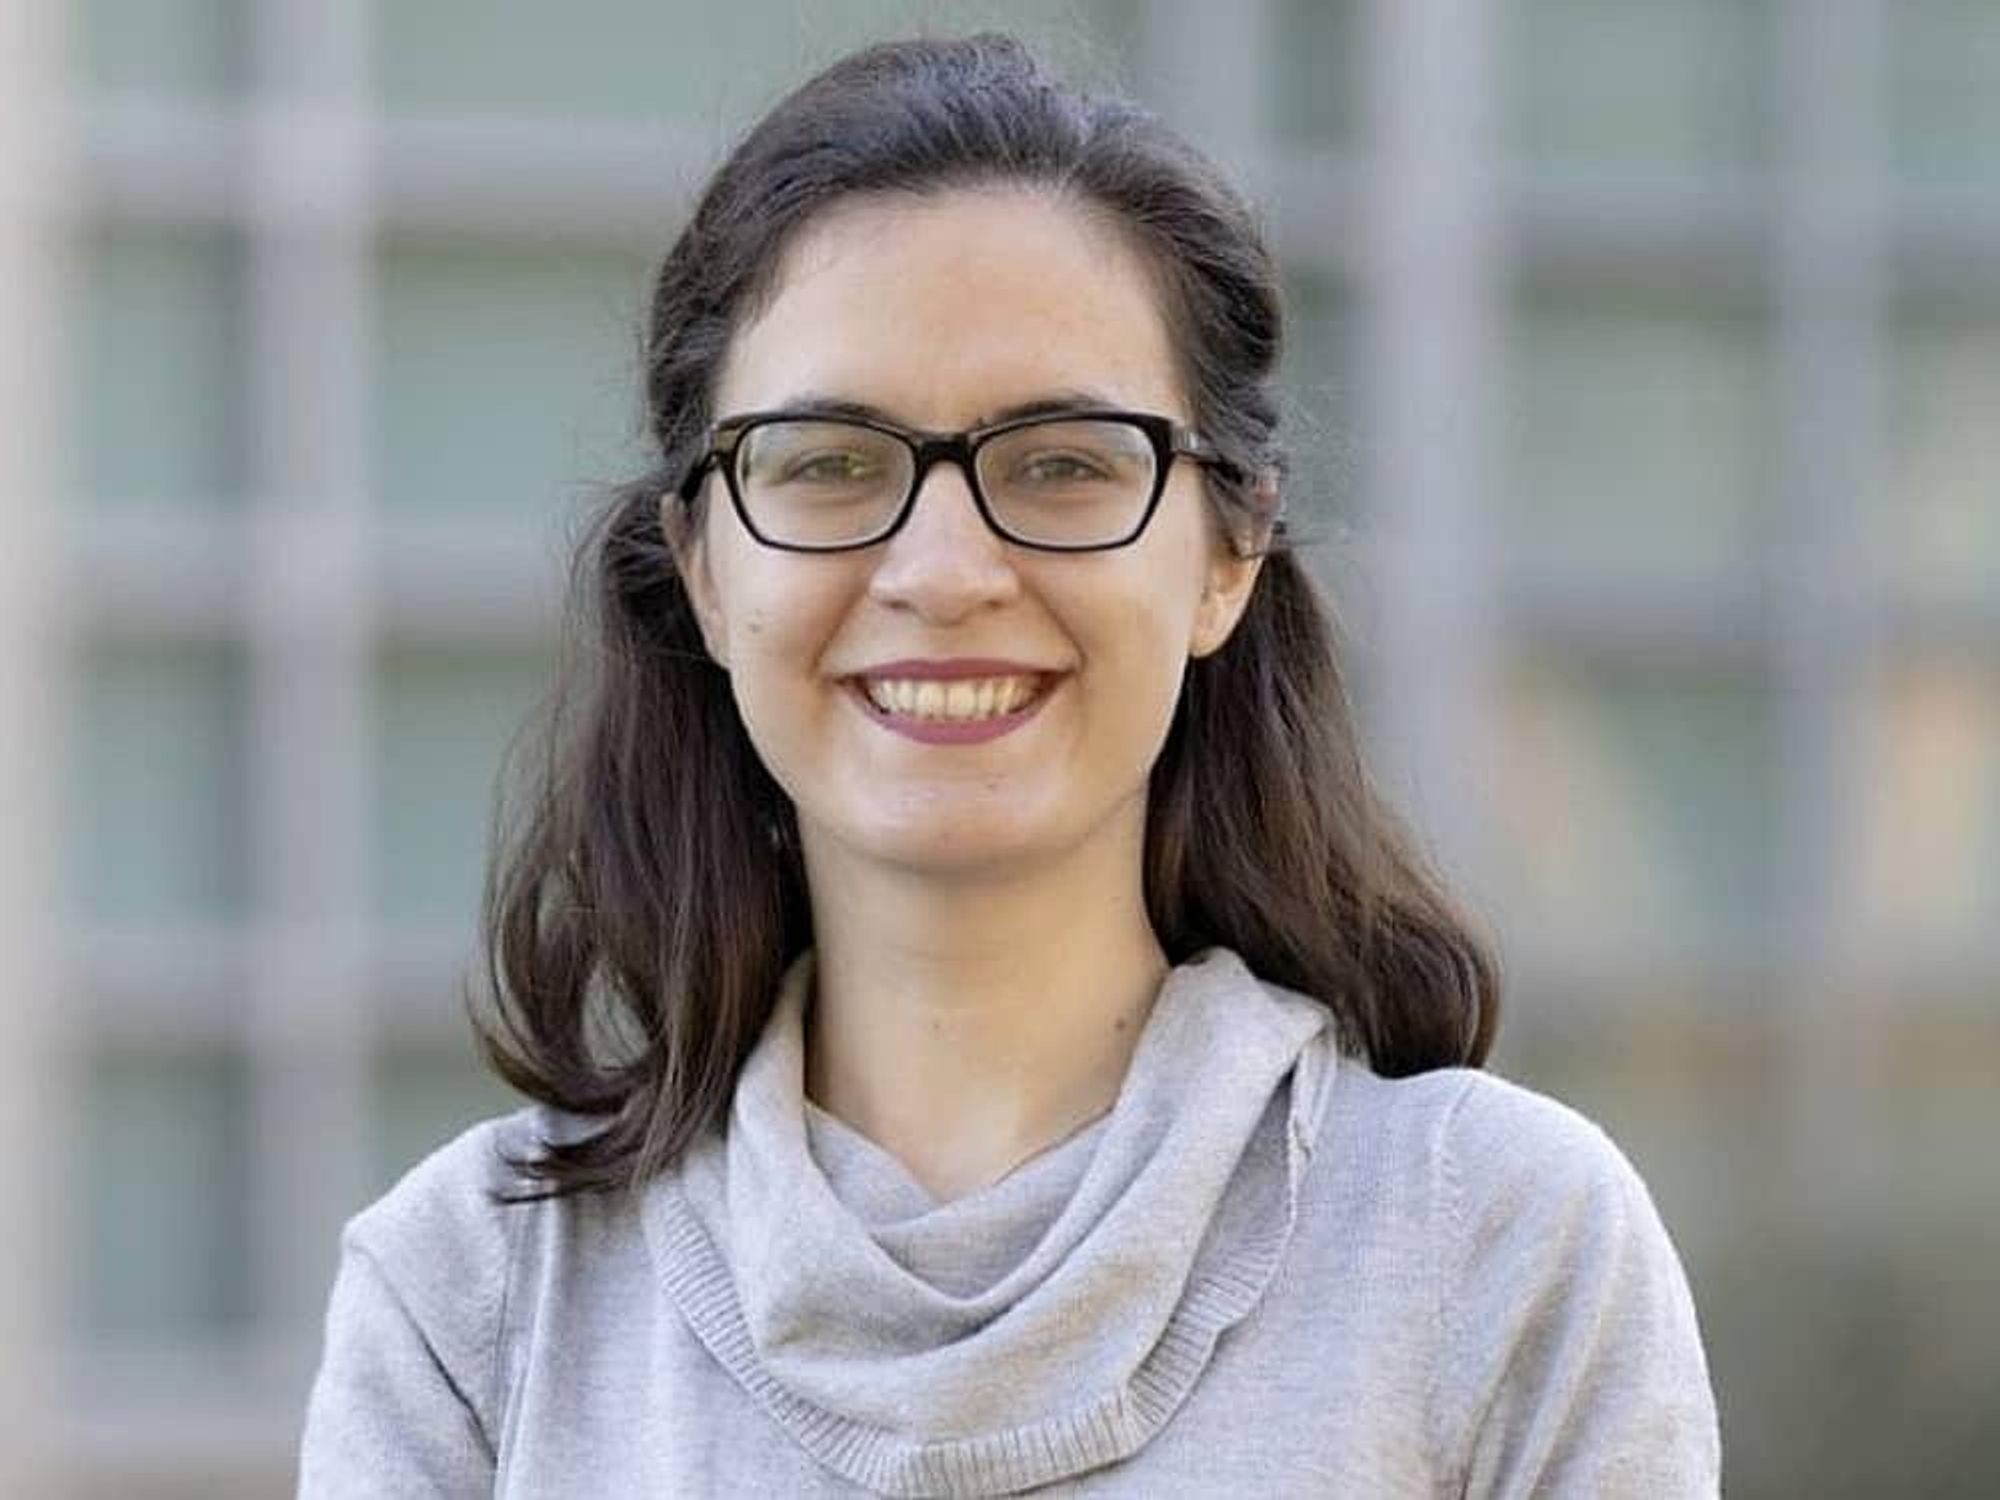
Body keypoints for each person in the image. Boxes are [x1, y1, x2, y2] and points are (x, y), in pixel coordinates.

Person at [298, 33, 1720, 1498]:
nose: (944, 570)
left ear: (1229, 553)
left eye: (1064, 462)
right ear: (705, 568)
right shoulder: (476, 1299)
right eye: (829, 460)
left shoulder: (1493, 1245)